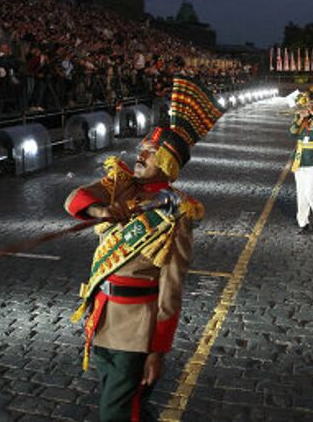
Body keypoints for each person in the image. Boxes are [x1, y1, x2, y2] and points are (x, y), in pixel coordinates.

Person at [65, 77, 221, 422]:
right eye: (143, 150)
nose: (140, 156)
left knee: (116, 412)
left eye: (150, 154)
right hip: (101, 313)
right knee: (124, 402)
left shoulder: (177, 213)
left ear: (166, 163)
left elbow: (172, 290)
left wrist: (157, 351)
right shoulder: (119, 185)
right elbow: (75, 199)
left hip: (136, 330)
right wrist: (101, 210)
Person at [289, 89, 313, 233]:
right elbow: (292, 132)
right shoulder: (300, 117)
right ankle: (303, 223)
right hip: (300, 159)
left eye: (311, 103)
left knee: (310, 192)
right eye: (307, 103)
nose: (308, 106)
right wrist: (300, 118)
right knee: (301, 193)